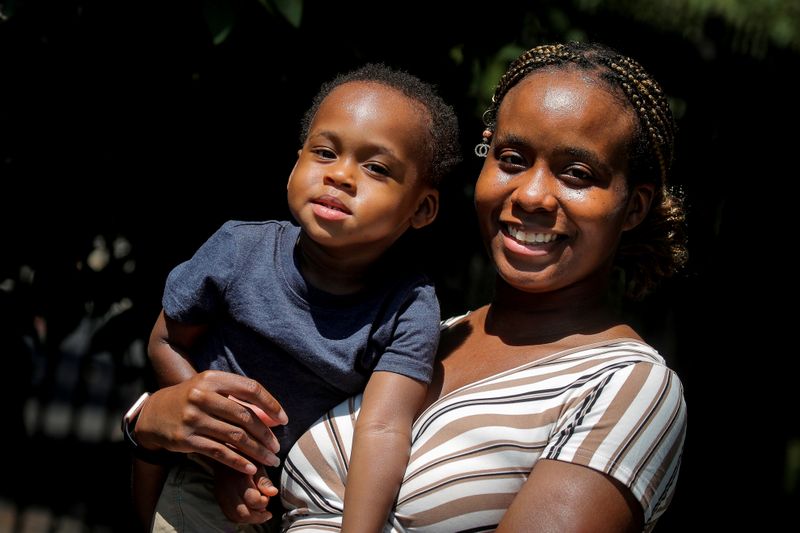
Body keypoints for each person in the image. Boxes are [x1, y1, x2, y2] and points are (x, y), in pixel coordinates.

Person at [130, 41, 688, 532]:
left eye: (577, 174)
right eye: (512, 160)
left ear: (632, 206)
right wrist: (151, 431)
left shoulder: (627, 386)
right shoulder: (426, 332)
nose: (533, 195)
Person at [128, 63, 461, 532]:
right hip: (204, 472)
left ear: (422, 208)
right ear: (296, 163)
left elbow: (383, 428)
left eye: (376, 167)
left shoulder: (409, 306)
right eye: (325, 153)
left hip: (315, 502)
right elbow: (166, 342)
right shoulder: (238, 250)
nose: (341, 176)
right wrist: (227, 461)